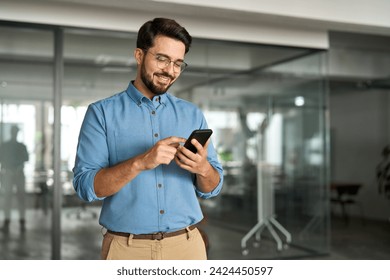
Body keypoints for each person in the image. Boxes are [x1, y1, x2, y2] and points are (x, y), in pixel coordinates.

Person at [73, 17, 223, 260]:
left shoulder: (192, 114)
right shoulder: (101, 113)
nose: (170, 71)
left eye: (178, 63)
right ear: (139, 55)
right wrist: (141, 162)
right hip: (126, 249)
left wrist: (203, 168)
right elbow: (86, 187)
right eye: (162, 59)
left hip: (187, 247)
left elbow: (212, 188)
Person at [0, 125, 29, 233]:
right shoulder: (7, 146)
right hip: (10, 175)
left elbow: (26, 158)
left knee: (19, 199)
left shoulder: (20, 146)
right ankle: (7, 221)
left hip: (17, 175)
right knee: (8, 199)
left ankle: (21, 222)